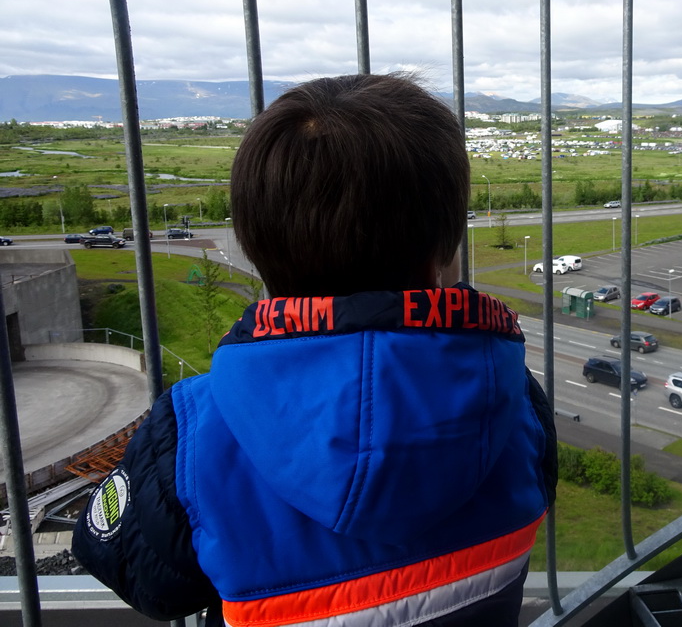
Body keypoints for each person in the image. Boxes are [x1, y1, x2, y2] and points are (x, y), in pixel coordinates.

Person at [73, 73, 557, 627]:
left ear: (254, 251)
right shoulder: (514, 401)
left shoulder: (192, 432)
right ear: (443, 254)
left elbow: (143, 579)